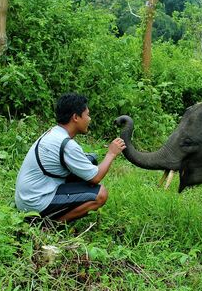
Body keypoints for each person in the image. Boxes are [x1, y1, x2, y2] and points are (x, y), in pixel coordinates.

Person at [15, 92, 126, 222]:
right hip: (34, 204)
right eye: (87, 115)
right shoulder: (67, 145)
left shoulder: (53, 133)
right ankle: (51, 225)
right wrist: (111, 153)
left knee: (91, 160)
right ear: (75, 117)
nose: (89, 119)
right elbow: (95, 177)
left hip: (26, 198)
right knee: (100, 194)